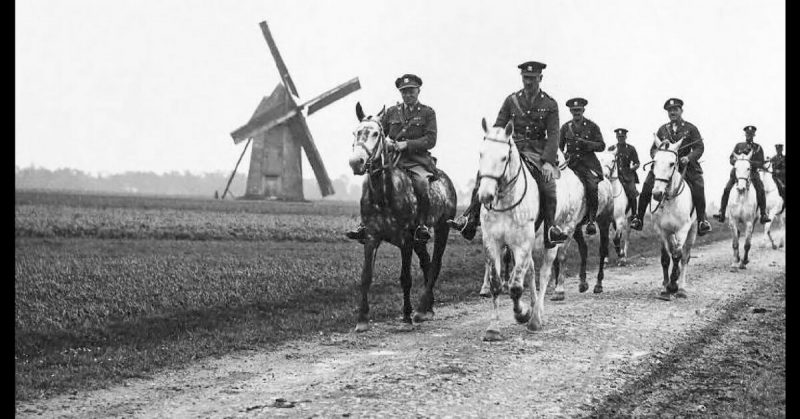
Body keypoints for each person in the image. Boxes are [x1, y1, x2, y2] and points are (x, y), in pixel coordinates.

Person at [447, 61, 568, 248]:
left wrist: (547, 162)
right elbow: (498, 125)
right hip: (512, 148)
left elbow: (553, 135)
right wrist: (493, 146)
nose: (528, 82)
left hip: (536, 151)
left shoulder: (549, 104)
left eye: (533, 79)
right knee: (483, 175)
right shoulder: (511, 101)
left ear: (540, 79)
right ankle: (470, 218)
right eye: (526, 78)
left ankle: (551, 230)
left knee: (548, 185)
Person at [346, 74, 438, 243]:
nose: (407, 95)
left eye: (411, 91)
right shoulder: (392, 112)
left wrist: (407, 144)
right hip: (393, 160)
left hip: (417, 160)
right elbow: (381, 133)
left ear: (418, 91)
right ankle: (365, 224)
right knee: (369, 182)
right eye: (404, 92)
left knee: (421, 183)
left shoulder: (427, 113)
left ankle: (421, 226)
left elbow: (431, 140)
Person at [629, 98, 712, 236]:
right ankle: (639, 218)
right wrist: (660, 152)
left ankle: (702, 220)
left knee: (698, 185)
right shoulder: (662, 129)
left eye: (675, 109)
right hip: (665, 167)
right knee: (647, 185)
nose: (672, 112)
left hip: (685, 166)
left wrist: (688, 158)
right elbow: (653, 150)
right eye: (670, 110)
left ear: (681, 111)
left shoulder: (690, 128)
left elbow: (699, 147)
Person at [559, 97, 605, 235]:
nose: (576, 113)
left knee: (591, 186)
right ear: (570, 111)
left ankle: (591, 221)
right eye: (573, 111)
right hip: (571, 164)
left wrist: (587, 143)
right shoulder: (566, 127)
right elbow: (559, 147)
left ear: (583, 110)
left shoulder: (592, 126)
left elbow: (601, 145)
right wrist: (564, 155)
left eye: (578, 110)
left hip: (587, 164)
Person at [712, 126, 771, 224]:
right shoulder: (738, 146)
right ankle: (721, 212)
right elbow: (731, 158)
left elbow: (761, 163)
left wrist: (750, 163)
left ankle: (763, 214)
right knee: (727, 189)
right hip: (738, 173)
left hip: (752, 173)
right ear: (745, 135)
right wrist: (737, 161)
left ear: (754, 135)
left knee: (760, 189)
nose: (749, 136)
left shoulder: (758, 147)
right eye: (747, 134)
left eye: (751, 135)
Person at [607, 128, 640, 215]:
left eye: (622, 136)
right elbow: (608, 161)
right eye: (618, 136)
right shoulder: (611, 148)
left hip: (627, 176)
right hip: (614, 175)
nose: (620, 138)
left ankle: (634, 216)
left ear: (626, 137)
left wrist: (632, 169)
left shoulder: (631, 148)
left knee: (632, 192)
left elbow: (637, 163)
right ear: (616, 137)